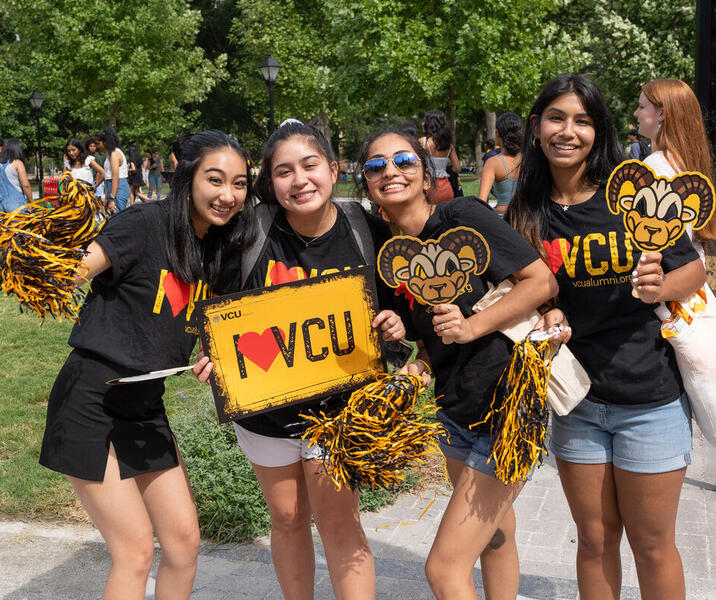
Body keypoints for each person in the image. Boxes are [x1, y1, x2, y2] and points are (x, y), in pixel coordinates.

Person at [506, 74, 706, 600]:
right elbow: (517, 296)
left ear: (599, 130)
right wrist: (544, 316)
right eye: (556, 118)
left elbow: (695, 271)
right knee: (594, 539)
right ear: (535, 128)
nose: (568, 132)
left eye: (582, 121)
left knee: (652, 543)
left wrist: (660, 283)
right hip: (576, 403)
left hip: (649, 399)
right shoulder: (525, 213)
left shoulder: (630, 196)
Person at [193, 120, 406, 600]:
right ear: (271, 181)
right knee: (287, 519)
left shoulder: (367, 230)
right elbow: (216, 306)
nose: (299, 180)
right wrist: (209, 350)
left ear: (333, 169)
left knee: (340, 524)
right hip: (267, 411)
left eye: (310, 166)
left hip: (340, 413)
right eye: (283, 171)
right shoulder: (250, 232)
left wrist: (396, 330)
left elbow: (400, 310)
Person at [39, 130, 256, 599]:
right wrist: (38, 253)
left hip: (144, 405)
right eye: (215, 179)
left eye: (239, 184)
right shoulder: (144, 223)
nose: (227, 195)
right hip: (91, 399)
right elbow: (70, 270)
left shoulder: (217, 249)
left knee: (183, 543)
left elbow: (209, 331)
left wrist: (212, 359)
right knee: (135, 551)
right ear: (187, 177)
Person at [356, 127, 558, 599]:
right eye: (375, 166)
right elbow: (431, 341)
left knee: (444, 569)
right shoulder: (391, 255)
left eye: (404, 160)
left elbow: (540, 282)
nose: (391, 171)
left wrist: (472, 325)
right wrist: (415, 359)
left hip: (508, 407)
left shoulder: (461, 219)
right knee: (493, 535)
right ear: (366, 184)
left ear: (427, 175)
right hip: (455, 410)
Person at [635, 77, 716, 498]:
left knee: (687, 374)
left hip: (663, 285)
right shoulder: (685, 162)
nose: (637, 113)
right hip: (689, 284)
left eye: (642, 107)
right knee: (695, 372)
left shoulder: (654, 168)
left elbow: (646, 238)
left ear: (662, 114)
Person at [478, 112, 523, 214]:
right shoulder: (528, 160)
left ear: (497, 133)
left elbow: (481, 200)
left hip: (502, 218)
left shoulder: (493, 163)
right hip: (526, 218)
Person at [419, 109, 461, 204]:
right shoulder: (448, 145)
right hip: (446, 188)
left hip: (429, 186)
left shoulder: (423, 142)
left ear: (430, 124)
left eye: (425, 121)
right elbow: (457, 168)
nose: (422, 123)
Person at [95, 127, 130, 213]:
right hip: (113, 187)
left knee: (118, 219)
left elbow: (115, 177)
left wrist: (112, 199)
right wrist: (96, 186)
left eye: (99, 143)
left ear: (106, 142)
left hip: (119, 189)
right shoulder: (109, 154)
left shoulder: (114, 154)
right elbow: (107, 175)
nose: (97, 146)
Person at [0, 138, 33, 212]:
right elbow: (25, 185)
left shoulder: (0, 165)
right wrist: (31, 202)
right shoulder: (17, 163)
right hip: (16, 205)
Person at [85, 136, 106, 201]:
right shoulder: (88, 156)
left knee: (98, 200)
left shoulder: (97, 156)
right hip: (92, 181)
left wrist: (96, 184)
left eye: (94, 146)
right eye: (90, 146)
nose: (92, 148)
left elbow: (99, 172)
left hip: (97, 181)